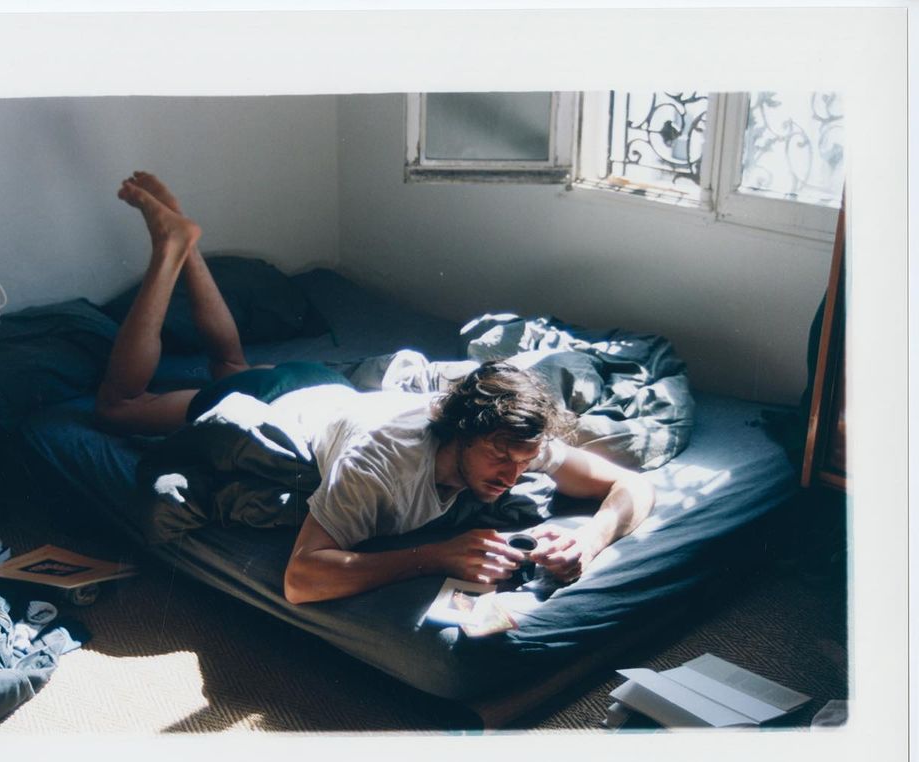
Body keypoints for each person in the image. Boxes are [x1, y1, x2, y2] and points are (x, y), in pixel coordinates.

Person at [97, 172, 656, 605]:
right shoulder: (381, 465)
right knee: (123, 407)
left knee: (231, 363)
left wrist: (590, 540)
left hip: (331, 389)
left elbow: (631, 486)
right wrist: (434, 555)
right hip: (280, 400)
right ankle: (168, 253)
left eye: (523, 463)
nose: (512, 477)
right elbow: (301, 578)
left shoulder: (509, 440)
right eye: (500, 460)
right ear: (459, 432)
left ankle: (187, 244)